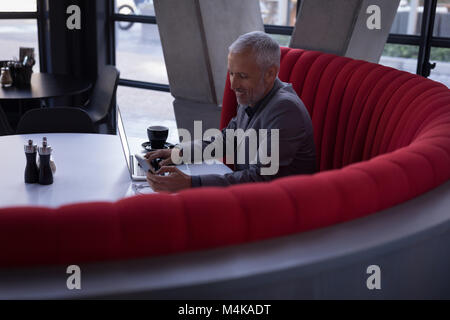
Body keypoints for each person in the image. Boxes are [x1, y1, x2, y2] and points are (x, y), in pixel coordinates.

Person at [145, 31, 316, 192]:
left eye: (242, 76)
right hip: (253, 199)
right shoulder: (254, 94)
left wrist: (192, 183)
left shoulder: (285, 110)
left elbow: (260, 179)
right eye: (231, 74)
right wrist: (180, 152)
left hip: (280, 210)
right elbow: (228, 139)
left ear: (270, 74)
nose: (233, 85)